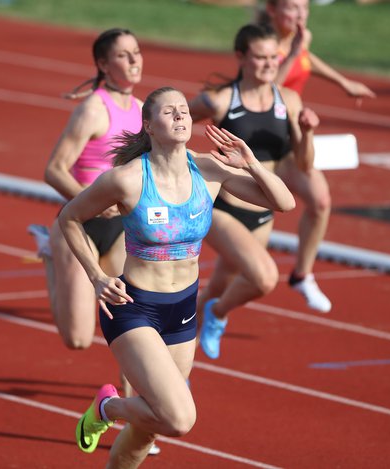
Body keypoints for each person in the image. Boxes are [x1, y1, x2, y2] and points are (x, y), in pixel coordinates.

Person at [59, 86, 295, 465]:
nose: (181, 116)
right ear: (149, 125)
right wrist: (96, 276)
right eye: (169, 112)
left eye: (184, 110)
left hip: (182, 310)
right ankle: (109, 408)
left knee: (148, 428)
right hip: (134, 308)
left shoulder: (210, 170)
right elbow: (69, 218)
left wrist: (250, 162)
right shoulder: (128, 179)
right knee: (179, 419)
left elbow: (284, 203)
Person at [25, 28, 157, 455]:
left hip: (122, 230)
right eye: (123, 55)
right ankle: (50, 252)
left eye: (137, 53)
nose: (134, 62)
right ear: (103, 65)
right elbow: (54, 169)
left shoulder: (142, 111)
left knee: (130, 320)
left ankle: (135, 415)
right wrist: (90, 204)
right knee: (78, 339)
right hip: (79, 225)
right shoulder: (91, 111)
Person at [188, 23, 328, 360]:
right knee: (263, 278)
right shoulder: (220, 101)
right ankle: (219, 314)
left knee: (219, 285)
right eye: (260, 57)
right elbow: (171, 124)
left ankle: (181, 355)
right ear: (241, 57)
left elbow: (305, 166)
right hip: (223, 206)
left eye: (273, 57)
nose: (269, 64)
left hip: (263, 211)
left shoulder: (289, 100)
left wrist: (307, 133)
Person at [260, 0, 376, 100]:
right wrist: (292, 55)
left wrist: (345, 83)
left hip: (289, 116)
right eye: (293, 8)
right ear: (271, 9)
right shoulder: (260, 45)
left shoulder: (302, 38)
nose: (301, 15)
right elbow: (264, 92)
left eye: (305, 7)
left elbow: (306, 58)